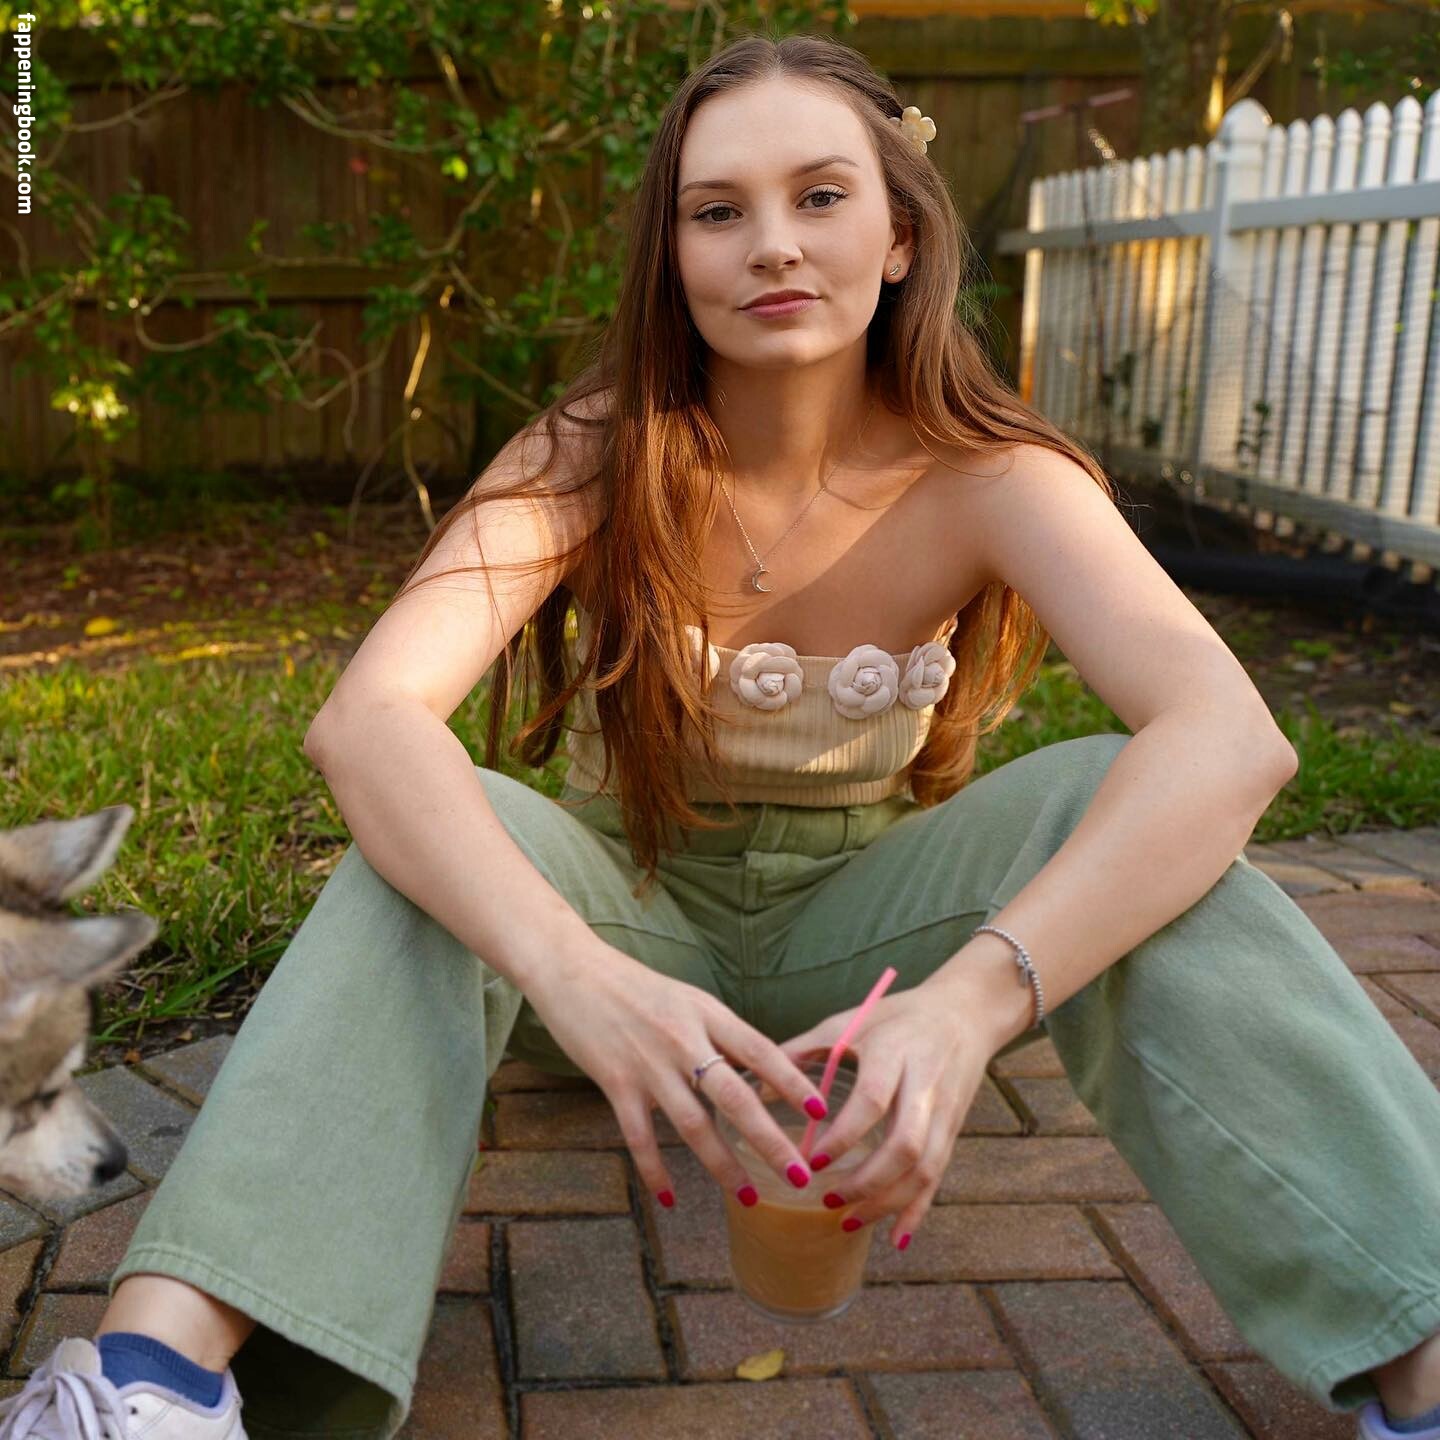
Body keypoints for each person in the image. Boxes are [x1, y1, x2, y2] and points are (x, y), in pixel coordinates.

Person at [4, 31, 1438, 1440]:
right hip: (617, 926)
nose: (772, 246)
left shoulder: (996, 475)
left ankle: (1426, 1358)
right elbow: (367, 719)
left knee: (1133, 803)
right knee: (427, 827)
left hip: (878, 951)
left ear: (898, 237)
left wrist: (970, 1004)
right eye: (717, 211)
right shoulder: (589, 449)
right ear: (672, 254)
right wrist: (571, 970)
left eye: (820, 196)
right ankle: (155, 1379)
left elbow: (1231, 739)